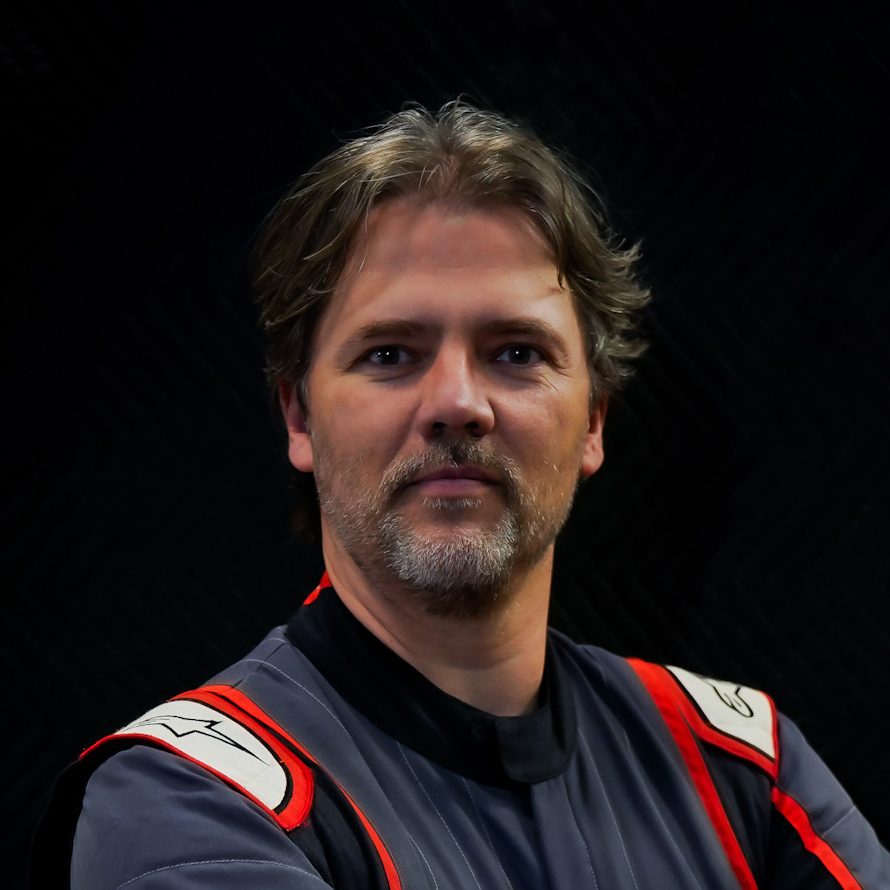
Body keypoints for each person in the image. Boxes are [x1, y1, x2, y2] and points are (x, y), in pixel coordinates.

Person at [31, 102, 888, 889]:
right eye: (390, 354)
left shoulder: (745, 773)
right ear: (298, 416)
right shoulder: (187, 800)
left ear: (594, 419)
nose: (456, 403)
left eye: (515, 352)